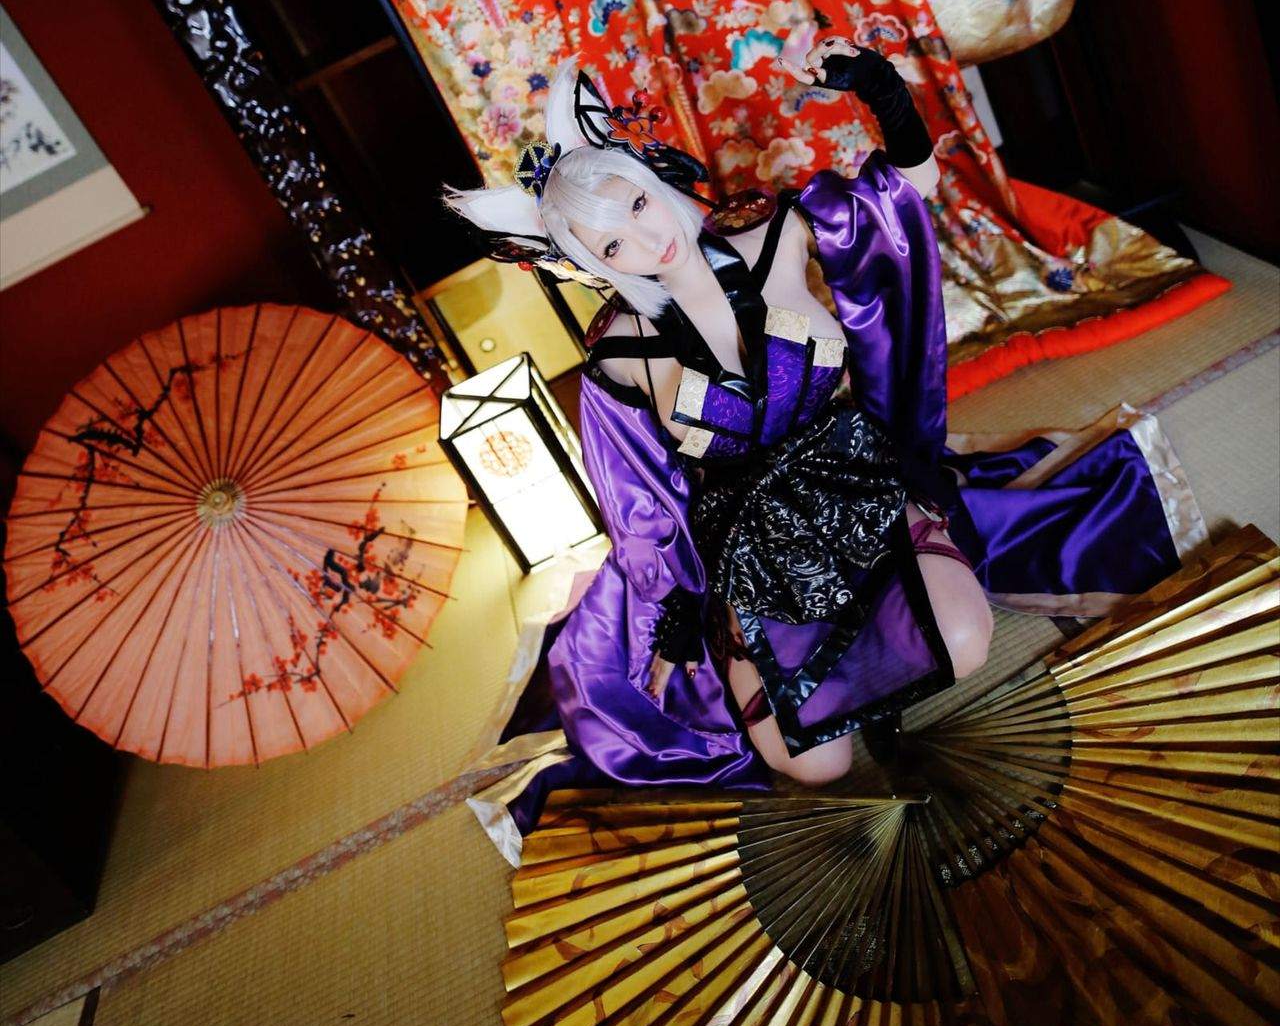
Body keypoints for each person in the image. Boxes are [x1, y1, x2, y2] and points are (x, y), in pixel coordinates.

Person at [445, 49, 1204, 845]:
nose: (646, 238)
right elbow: (643, 507)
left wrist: (880, 89)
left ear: (648, 177)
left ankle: (879, 647)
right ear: (591, 266)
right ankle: (828, 673)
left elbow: (913, 186)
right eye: (611, 247)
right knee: (817, 765)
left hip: (860, 486)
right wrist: (677, 624)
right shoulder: (619, 356)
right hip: (750, 549)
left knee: (964, 643)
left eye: (638, 204)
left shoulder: (777, 234)